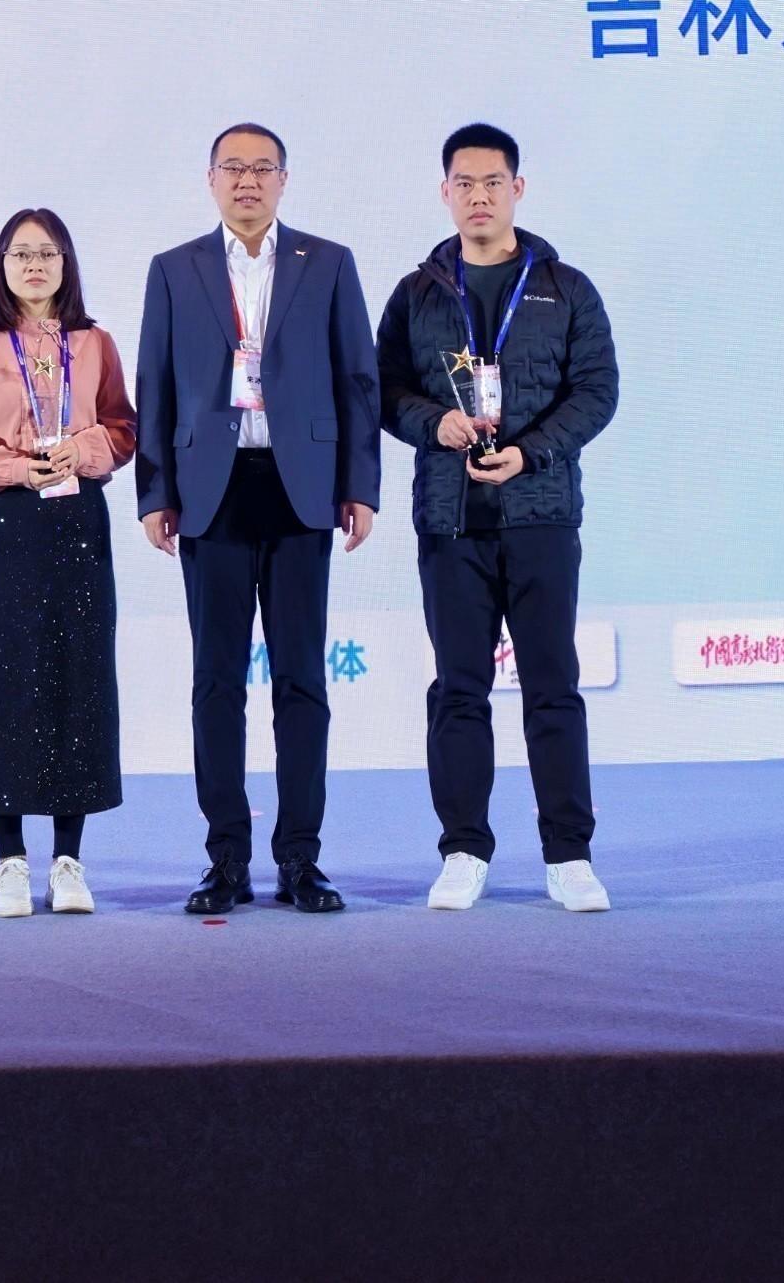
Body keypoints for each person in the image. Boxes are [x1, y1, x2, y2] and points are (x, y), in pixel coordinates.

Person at [134, 124, 380, 916]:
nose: (248, 181)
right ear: (210, 179)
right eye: (233, 168)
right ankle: (227, 858)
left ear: (284, 179)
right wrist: (154, 491)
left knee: (302, 680)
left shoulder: (328, 262)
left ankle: (301, 859)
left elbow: (358, 379)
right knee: (216, 682)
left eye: (262, 168)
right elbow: (154, 384)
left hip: (302, 488)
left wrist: (360, 485)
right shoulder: (174, 269)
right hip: (211, 491)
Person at [376, 124, 619, 914]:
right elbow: (382, 390)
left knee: (553, 687)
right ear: (444, 192)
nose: (478, 196)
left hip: (540, 515)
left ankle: (569, 854)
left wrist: (531, 453)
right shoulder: (416, 293)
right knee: (458, 690)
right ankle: (463, 849)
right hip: (450, 521)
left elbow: (597, 391)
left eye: (492, 182)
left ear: (519, 188)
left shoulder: (564, 287)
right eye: (464, 183)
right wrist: (434, 423)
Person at [0, 209, 138, 919]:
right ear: (2, 264)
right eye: (20, 254)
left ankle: (69, 859)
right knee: (6, 679)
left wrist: (82, 450)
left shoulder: (95, 341)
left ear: (66, 263)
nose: (34, 265)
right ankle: (10, 860)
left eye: (47, 253)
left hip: (78, 516)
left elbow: (123, 427)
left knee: (76, 676)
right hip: (7, 517)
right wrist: (16, 466)